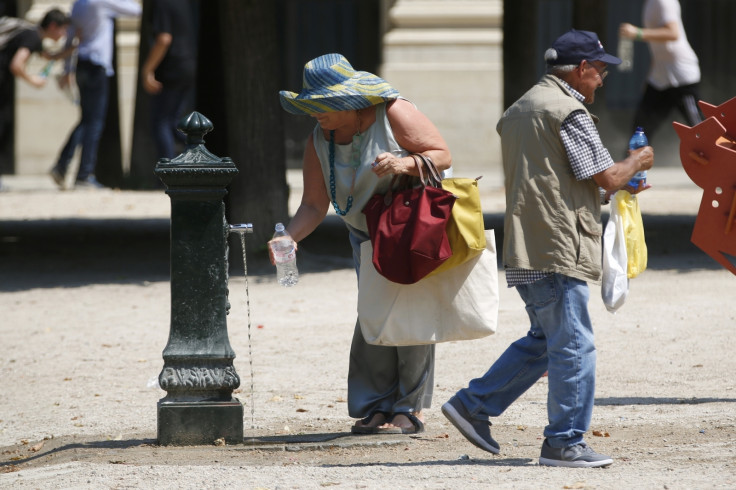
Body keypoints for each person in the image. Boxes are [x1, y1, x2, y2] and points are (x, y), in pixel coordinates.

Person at [441, 30, 654, 468]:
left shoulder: (520, 109)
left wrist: (611, 184)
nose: (602, 80)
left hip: (528, 243)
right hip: (558, 244)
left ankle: (473, 406)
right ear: (581, 69)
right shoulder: (568, 111)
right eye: (600, 71)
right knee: (574, 345)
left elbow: (555, 181)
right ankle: (565, 442)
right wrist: (636, 162)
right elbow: (607, 178)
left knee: (545, 340)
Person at [277, 53, 452, 434]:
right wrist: (288, 238)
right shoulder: (318, 138)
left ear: (349, 101)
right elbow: (313, 203)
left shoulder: (394, 112)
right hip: (363, 234)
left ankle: (409, 408)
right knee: (374, 316)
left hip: (409, 229)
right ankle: (376, 405)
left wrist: (403, 164)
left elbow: (442, 155)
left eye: (321, 104)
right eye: (310, 105)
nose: (314, 112)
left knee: (411, 315)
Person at [49, 0, 141, 190]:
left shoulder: (78, 4)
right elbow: (136, 10)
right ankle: (83, 174)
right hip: (97, 65)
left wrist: (67, 69)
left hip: (81, 64)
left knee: (86, 120)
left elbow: (70, 37)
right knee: (94, 123)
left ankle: (62, 165)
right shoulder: (101, 1)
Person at [619, 0, 702, 139]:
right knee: (640, 127)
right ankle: (631, 160)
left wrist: (638, 33)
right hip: (659, 76)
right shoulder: (649, 3)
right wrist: (649, 78)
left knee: (699, 127)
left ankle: (724, 158)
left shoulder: (663, 1)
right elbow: (659, 49)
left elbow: (673, 33)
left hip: (681, 74)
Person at [0, 9, 69, 174]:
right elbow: (17, 65)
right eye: (63, 29)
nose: (64, 34)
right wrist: (34, 80)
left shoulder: (31, 35)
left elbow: (48, 56)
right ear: (53, 26)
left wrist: (70, 49)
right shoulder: (32, 37)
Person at [141, 0, 196, 164]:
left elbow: (164, 39)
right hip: (187, 65)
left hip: (171, 68)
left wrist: (147, 70)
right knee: (173, 123)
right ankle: (197, 151)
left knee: (161, 122)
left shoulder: (162, 3)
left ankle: (167, 174)